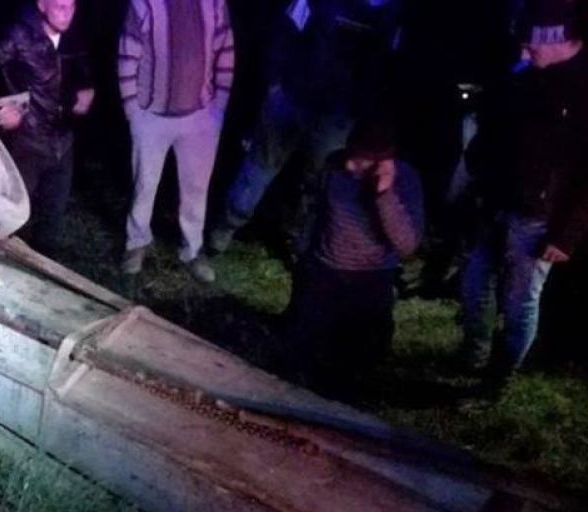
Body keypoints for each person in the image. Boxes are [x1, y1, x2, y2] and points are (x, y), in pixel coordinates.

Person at [458, 0, 588, 388]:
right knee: (475, 285)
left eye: (531, 44)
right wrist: (479, 173)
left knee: (520, 299)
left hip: (538, 216)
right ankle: (473, 354)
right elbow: (494, 130)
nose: (524, 53)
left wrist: (568, 234)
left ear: (558, 39)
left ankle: (501, 375)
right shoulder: (523, 78)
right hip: (496, 201)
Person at [208, 0, 403, 261]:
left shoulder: (388, 10)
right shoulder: (387, 9)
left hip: (329, 110)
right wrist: (276, 85)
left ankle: (293, 244)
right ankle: (229, 233)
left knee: (309, 182)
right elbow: (285, 32)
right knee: (273, 172)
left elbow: (382, 66)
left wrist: (358, 111)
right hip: (301, 100)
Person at [283, 119, 424, 388]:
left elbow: (407, 244)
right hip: (324, 271)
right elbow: (313, 211)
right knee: (299, 358)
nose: (349, 165)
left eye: (359, 161)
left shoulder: (405, 180)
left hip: (370, 278)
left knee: (356, 366)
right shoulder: (333, 166)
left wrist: (383, 195)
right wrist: (302, 253)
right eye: (351, 154)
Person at [117, 0, 236, 282]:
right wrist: (132, 109)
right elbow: (127, 53)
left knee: (196, 189)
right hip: (151, 114)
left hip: (200, 116)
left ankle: (192, 249)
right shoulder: (144, 3)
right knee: (144, 185)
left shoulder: (215, 3)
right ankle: (136, 243)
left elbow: (226, 49)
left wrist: (219, 106)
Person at [0, 0, 95, 254]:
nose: (67, 13)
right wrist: (0, 106)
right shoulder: (20, 36)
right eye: (59, 6)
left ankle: (40, 266)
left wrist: (87, 89)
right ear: (42, 5)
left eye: (72, 6)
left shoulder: (74, 36)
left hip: (63, 142)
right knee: (9, 218)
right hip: (28, 142)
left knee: (52, 218)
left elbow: (80, 69)